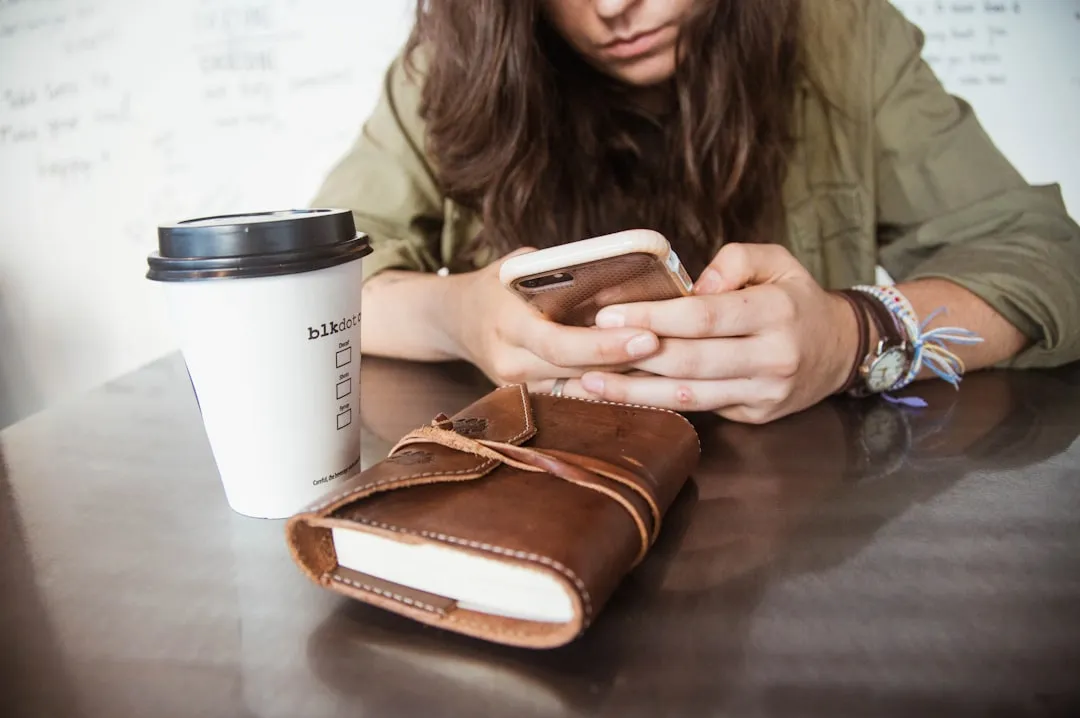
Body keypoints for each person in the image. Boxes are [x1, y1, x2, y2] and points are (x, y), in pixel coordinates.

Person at [310, 0, 1080, 424]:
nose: (613, 8)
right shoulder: (454, 65)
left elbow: (1046, 256)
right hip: (542, 483)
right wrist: (458, 313)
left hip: (808, 528)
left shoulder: (846, 33)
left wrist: (853, 335)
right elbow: (313, 285)